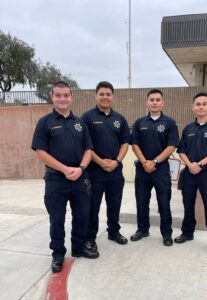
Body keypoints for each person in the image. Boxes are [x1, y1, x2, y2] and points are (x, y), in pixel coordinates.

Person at [31, 81, 97, 274]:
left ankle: (78, 247)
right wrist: (64, 169)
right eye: (58, 95)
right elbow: (40, 151)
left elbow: (89, 149)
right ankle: (58, 254)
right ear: (52, 96)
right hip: (56, 180)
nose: (62, 99)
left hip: (79, 178)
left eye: (66, 95)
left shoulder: (80, 123)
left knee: (82, 216)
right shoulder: (45, 122)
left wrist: (81, 168)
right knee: (57, 219)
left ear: (71, 97)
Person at [174, 92, 207, 256]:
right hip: (190, 172)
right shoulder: (188, 128)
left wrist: (200, 164)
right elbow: (181, 150)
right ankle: (187, 233)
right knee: (187, 204)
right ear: (193, 107)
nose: (201, 107)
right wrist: (190, 165)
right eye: (198, 104)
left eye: (204, 104)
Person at [81, 81, 130, 256]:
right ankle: (90, 238)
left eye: (108, 94)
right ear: (96, 96)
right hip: (94, 171)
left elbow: (125, 143)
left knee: (114, 204)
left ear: (112, 96)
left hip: (115, 171)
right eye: (101, 94)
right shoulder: (87, 118)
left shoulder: (120, 119)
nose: (105, 97)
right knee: (92, 206)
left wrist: (116, 161)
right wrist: (101, 162)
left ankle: (113, 232)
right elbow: (85, 145)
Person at [130, 89, 179, 246]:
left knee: (164, 202)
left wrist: (155, 162)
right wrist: (145, 162)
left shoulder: (170, 123)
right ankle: (142, 229)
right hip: (142, 169)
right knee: (141, 202)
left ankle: (166, 233)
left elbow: (171, 146)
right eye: (151, 99)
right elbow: (134, 144)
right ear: (147, 102)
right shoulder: (139, 122)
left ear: (162, 102)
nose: (155, 102)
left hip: (162, 170)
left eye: (158, 100)